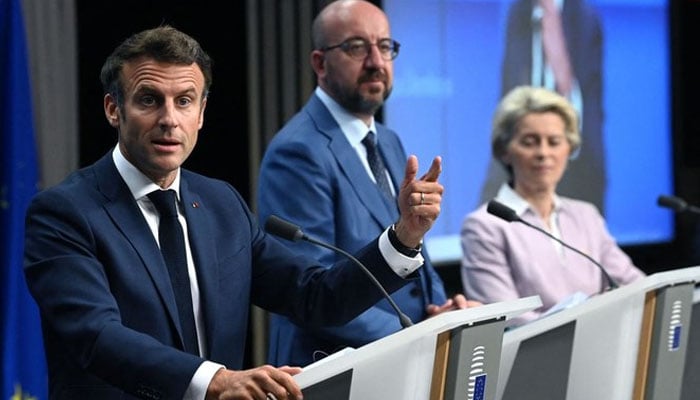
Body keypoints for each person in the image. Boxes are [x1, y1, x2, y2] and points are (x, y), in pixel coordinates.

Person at [23, 25, 446, 400]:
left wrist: (404, 235)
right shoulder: (64, 213)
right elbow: (96, 336)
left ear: (202, 113)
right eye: (149, 100)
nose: (169, 120)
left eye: (184, 101)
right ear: (113, 109)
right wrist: (216, 381)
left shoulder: (221, 204)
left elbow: (317, 298)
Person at [257, 0, 476, 367]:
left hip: (406, 358)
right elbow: (313, 290)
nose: (376, 61)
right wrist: (420, 332)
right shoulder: (297, 152)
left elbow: (413, 249)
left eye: (385, 46)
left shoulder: (387, 140)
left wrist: (444, 308)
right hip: (336, 368)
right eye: (357, 47)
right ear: (319, 63)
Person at [461, 86, 644, 327]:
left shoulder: (586, 215)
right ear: (504, 151)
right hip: (534, 359)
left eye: (554, 142)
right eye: (529, 142)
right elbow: (509, 320)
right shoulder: (484, 226)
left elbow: (636, 287)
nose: (543, 153)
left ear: (569, 149)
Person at [479, 0, 606, 214]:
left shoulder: (585, 17)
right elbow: (509, 89)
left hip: (579, 168)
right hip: (514, 167)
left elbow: (590, 101)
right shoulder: (519, 12)